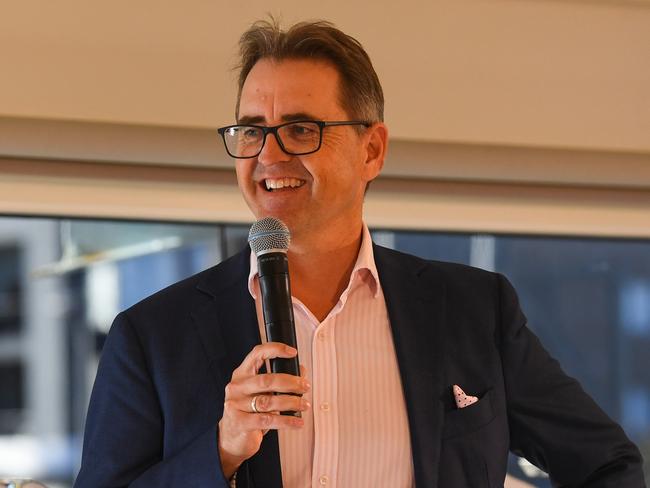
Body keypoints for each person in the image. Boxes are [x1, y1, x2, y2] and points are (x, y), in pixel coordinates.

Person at [74, 18, 645, 488]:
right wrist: (220, 451)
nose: (268, 155)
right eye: (251, 131)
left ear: (372, 149)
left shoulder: (475, 309)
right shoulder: (151, 337)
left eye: (300, 129)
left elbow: (609, 468)